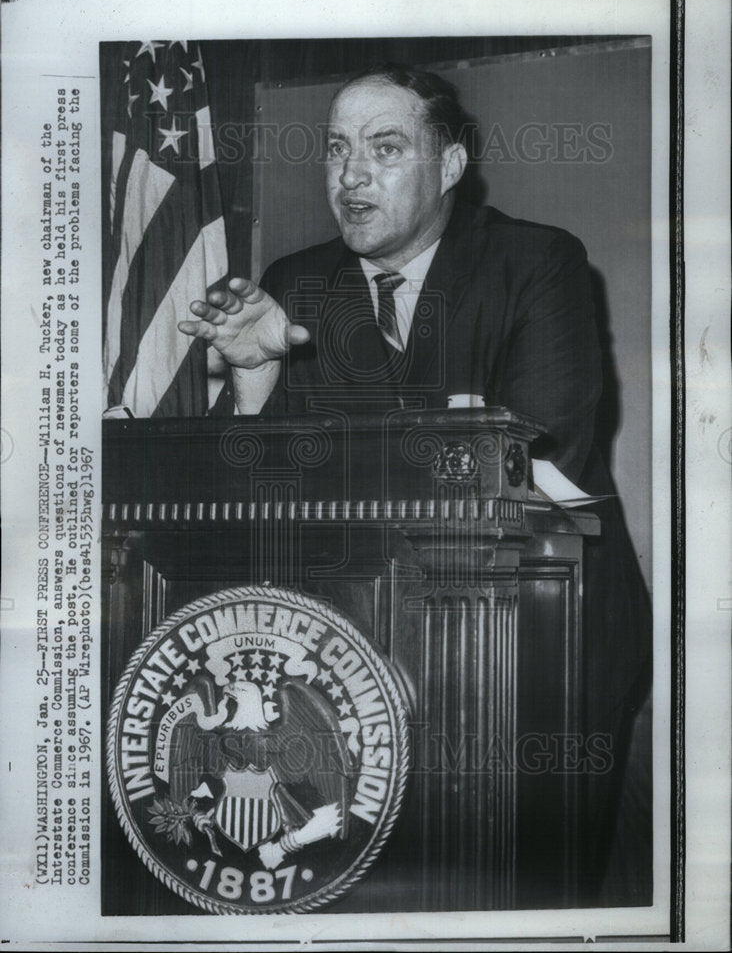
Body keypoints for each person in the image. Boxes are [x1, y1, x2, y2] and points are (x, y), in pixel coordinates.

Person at [178, 63, 652, 902]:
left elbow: (529, 460)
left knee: (520, 889)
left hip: (541, 639)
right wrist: (254, 389)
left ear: (451, 166)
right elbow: (244, 504)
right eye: (335, 150)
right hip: (363, 649)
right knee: (372, 884)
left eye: (385, 148)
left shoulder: (537, 263)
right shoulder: (296, 286)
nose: (350, 175)